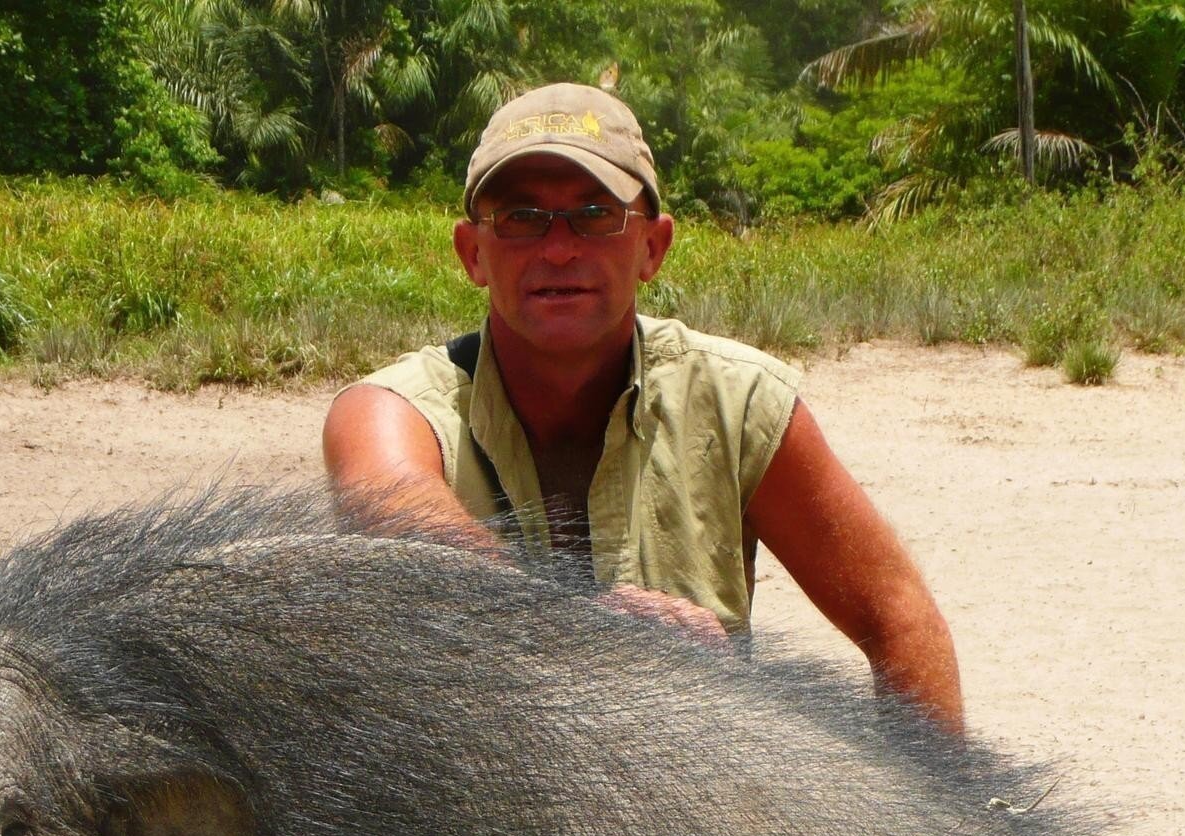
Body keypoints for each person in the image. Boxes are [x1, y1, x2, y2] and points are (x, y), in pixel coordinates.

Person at [322, 83, 965, 734]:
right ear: (473, 253)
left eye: (596, 213)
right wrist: (588, 627)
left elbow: (898, 615)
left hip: (697, 807)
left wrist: (936, 826)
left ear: (652, 248)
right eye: (521, 218)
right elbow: (401, 519)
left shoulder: (739, 403)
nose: (559, 249)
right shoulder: (390, 411)